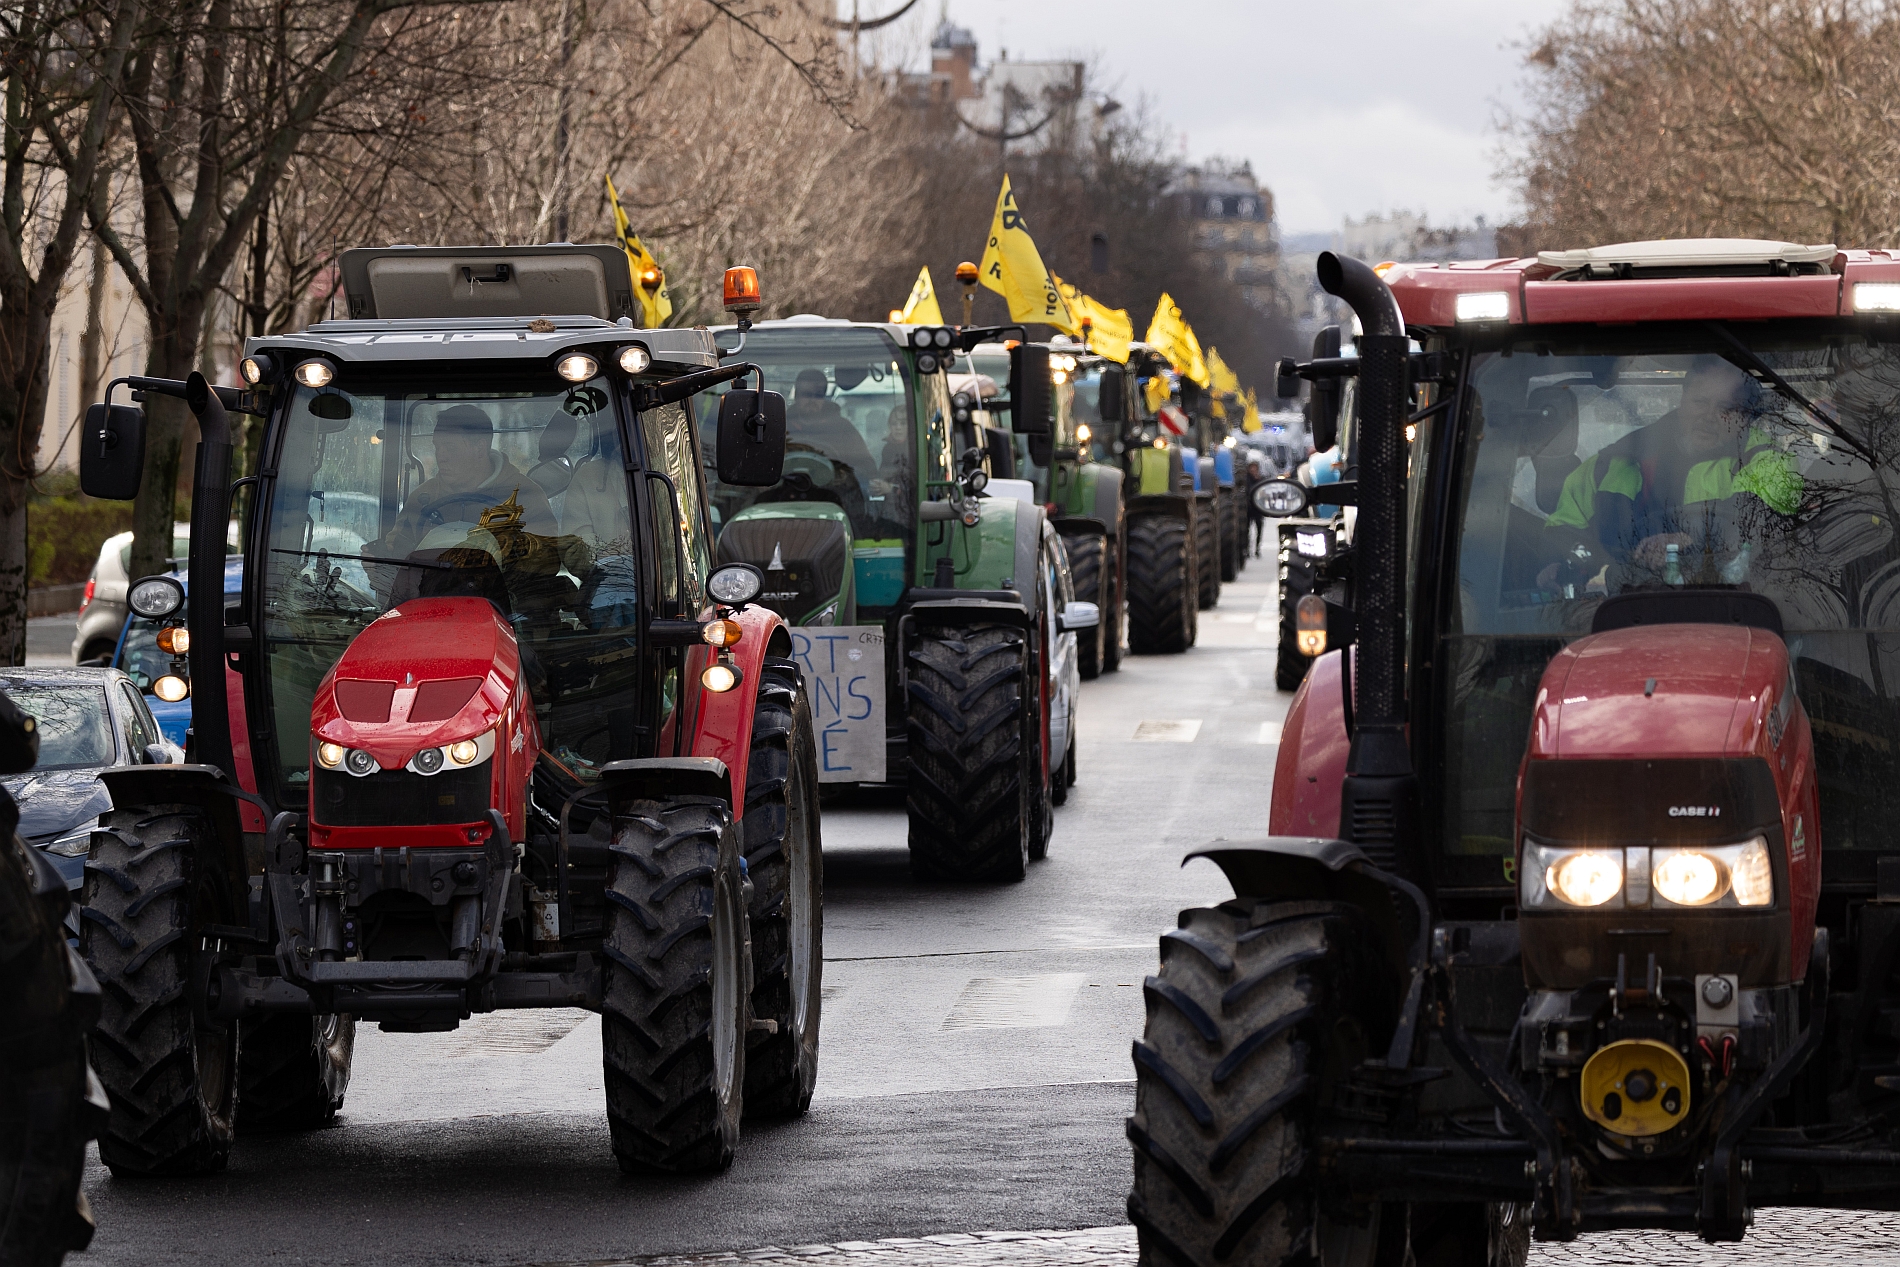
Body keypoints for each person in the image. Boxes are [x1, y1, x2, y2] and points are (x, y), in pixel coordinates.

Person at [1542, 355, 1801, 588]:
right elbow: (1563, 532)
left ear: (1745, 416)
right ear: (1682, 399)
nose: (1708, 416)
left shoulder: (1767, 460)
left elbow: (1757, 520)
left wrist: (1688, 537)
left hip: (1735, 612)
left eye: (1726, 408)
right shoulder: (1617, 461)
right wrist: (1565, 565)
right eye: (1700, 402)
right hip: (1625, 616)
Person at [378, 405, 558, 559]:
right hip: (432, 596)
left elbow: (546, 562)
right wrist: (379, 561)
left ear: (480, 448)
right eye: (437, 447)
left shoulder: (525, 497)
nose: (441, 457)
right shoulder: (424, 496)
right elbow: (398, 557)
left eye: (450, 448)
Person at [786, 368, 878, 494]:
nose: (812, 400)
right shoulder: (780, 427)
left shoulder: (843, 429)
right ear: (796, 395)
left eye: (818, 395)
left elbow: (868, 467)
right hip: (783, 496)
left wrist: (844, 474)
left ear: (824, 398)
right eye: (806, 394)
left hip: (834, 497)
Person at [1244, 458, 1268, 556]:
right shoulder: (1246, 479)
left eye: (1255, 468)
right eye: (1251, 468)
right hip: (1249, 509)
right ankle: (1248, 549)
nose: (1253, 470)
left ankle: (1257, 548)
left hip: (1258, 509)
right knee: (1247, 530)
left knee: (1259, 529)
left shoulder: (1261, 479)